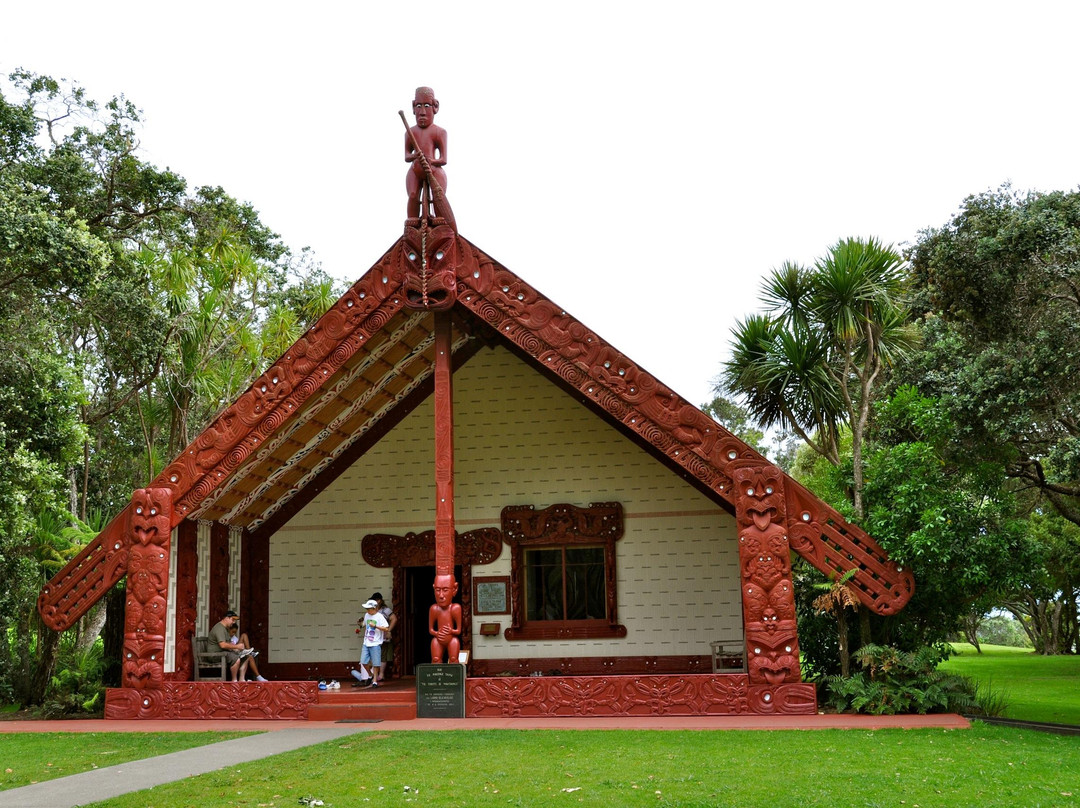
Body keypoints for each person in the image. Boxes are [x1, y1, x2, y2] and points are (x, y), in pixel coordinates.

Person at [405, 86, 447, 219]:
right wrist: (415, 156)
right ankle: (412, 221)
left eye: (427, 105)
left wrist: (432, 161)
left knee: (438, 197)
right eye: (418, 106)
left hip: (434, 170)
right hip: (416, 170)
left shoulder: (439, 132)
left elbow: (443, 159)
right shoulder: (410, 132)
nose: (422, 112)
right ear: (413, 107)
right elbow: (407, 156)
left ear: (435, 107)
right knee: (412, 195)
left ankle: (440, 220)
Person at [209, 609, 265, 682]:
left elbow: (228, 643)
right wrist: (237, 647)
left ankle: (242, 679)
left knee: (246, 656)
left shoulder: (225, 629)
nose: (234, 622)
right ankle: (234, 680)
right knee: (236, 659)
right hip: (215, 655)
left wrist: (239, 650)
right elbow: (222, 645)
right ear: (227, 618)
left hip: (224, 653)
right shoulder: (219, 628)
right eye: (232, 619)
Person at [429, 574, 462, 663]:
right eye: (437, 590)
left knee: (453, 659)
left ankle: (454, 676)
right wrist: (437, 633)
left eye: (445, 590)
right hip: (438, 639)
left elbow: (458, 630)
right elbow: (431, 630)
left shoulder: (455, 608)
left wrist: (451, 631)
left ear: (454, 589)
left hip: (451, 639)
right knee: (435, 659)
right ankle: (436, 676)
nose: (441, 595)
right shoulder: (434, 609)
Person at [358, 598, 390, 687]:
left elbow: (386, 628)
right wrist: (360, 625)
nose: (367, 611)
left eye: (369, 609)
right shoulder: (366, 615)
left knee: (376, 663)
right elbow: (364, 624)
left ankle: (375, 680)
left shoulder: (380, 616)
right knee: (363, 661)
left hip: (375, 642)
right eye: (367, 609)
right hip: (366, 641)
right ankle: (370, 675)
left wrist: (375, 626)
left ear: (375, 608)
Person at [370, 592, 398, 680]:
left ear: (380, 600)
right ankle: (374, 674)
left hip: (383, 635)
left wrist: (389, 630)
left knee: (382, 654)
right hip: (373, 636)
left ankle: (381, 675)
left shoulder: (385, 610)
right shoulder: (372, 610)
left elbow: (394, 619)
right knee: (373, 654)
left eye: (376, 600)